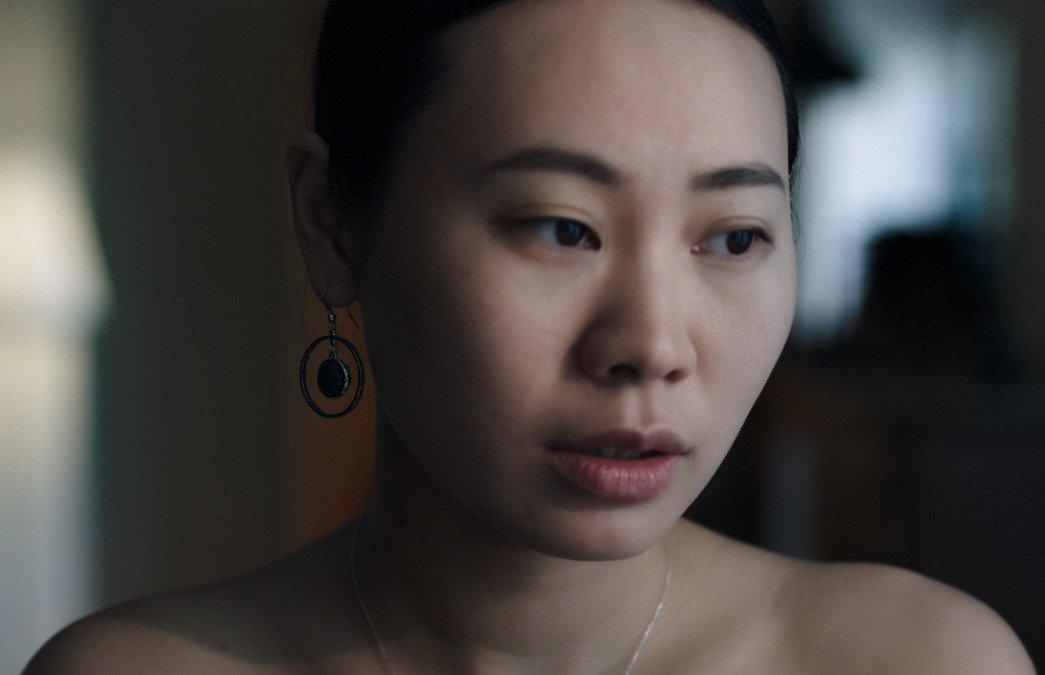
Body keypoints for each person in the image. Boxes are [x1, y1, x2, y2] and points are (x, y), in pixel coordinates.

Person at [26, 0, 1033, 672]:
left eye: (733, 237)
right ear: (330, 224)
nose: (650, 345)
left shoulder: (917, 661)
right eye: (560, 228)